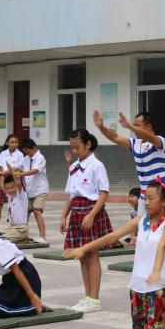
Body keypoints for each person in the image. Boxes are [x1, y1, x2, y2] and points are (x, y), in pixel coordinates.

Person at [66, 179, 165, 329]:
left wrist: (156, 270)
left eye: (151, 199)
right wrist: (84, 249)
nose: (147, 202)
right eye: (145, 198)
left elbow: (162, 246)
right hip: (138, 284)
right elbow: (113, 236)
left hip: (159, 285)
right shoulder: (141, 220)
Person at [60, 128, 112, 314]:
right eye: (73, 147)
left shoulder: (97, 165)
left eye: (78, 147)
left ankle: (94, 299)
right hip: (76, 212)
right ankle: (88, 296)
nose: (75, 151)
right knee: (81, 256)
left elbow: (104, 193)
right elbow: (72, 194)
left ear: (88, 144)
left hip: (91, 211)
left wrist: (92, 214)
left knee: (92, 255)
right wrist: (63, 216)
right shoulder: (74, 167)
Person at [94, 110, 165, 187]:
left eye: (137, 126)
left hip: (161, 190)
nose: (134, 129)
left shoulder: (161, 141)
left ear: (149, 127)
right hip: (145, 191)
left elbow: (149, 137)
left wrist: (130, 126)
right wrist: (101, 127)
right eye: (133, 125)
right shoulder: (135, 143)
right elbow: (115, 137)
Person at [17, 138, 50, 244]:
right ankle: (22, 236)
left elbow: (35, 170)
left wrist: (21, 174)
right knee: (24, 213)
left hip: (40, 189)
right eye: (25, 152)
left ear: (34, 148)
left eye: (28, 151)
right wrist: (6, 172)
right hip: (29, 190)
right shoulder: (26, 158)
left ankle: (43, 237)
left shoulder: (40, 157)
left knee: (37, 211)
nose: (27, 154)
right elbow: (17, 168)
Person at [0, 134, 23, 231]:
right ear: (7, 143)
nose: (14, 144)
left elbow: (19, 169)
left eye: (16, 142)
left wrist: (9, 173)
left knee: (14, 205)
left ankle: (14, 226)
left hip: (13, 181)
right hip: (4, 181)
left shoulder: (20, 154)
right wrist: (1, 182)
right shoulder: (3, 154)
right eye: (12, 142)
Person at [0, 172, 30, 243]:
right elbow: (1, 184)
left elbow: (18, 183)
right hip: (12, 228)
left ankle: (23, 238)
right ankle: (21, 239)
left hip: (21, 229)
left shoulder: (21, 195)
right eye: (8, 188)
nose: (10, 190)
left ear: (16, 186)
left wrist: (11, 170)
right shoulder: (9, 196)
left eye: (13, 187)